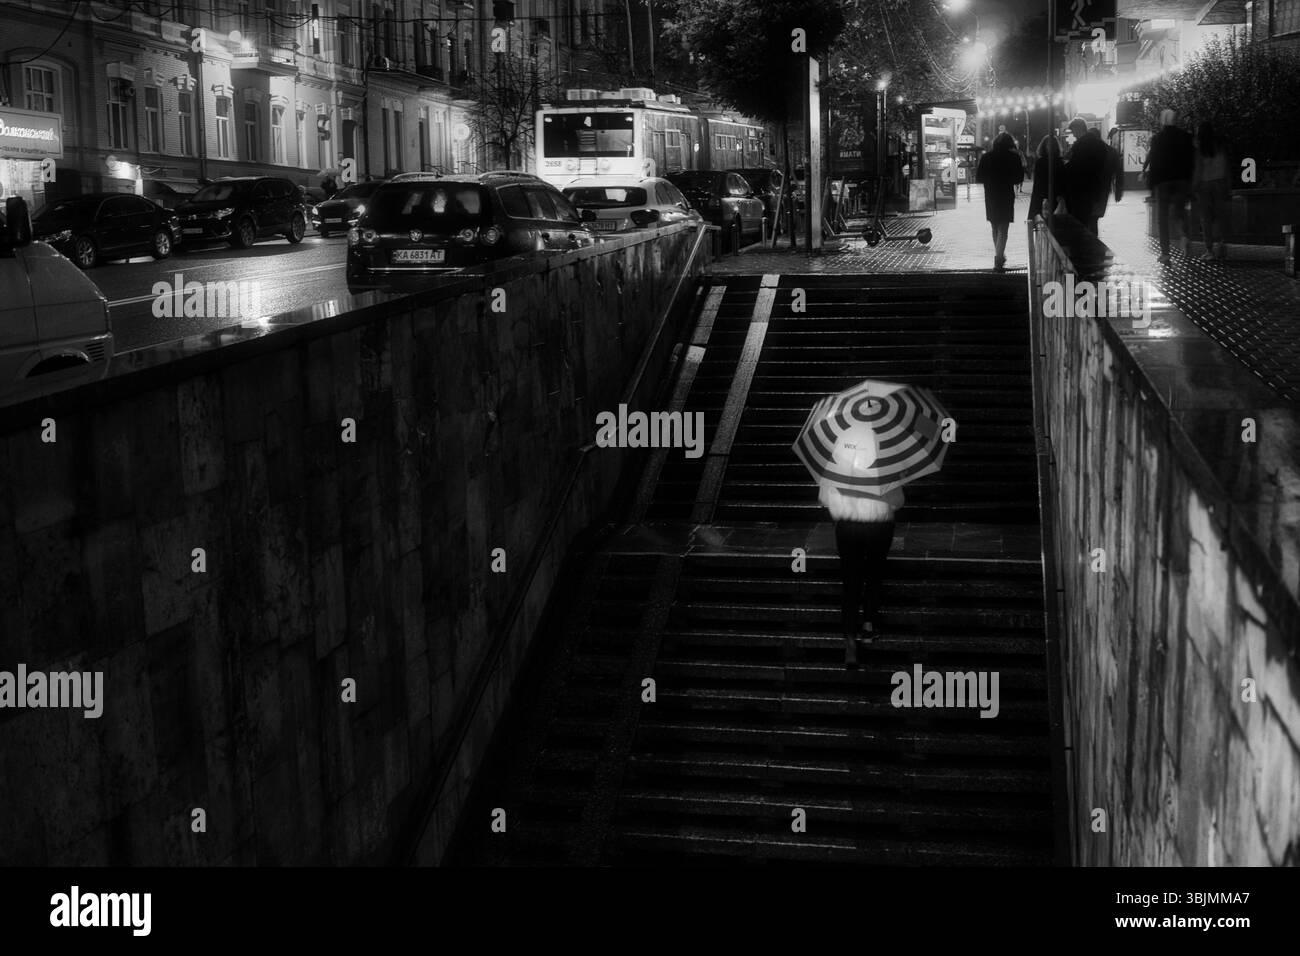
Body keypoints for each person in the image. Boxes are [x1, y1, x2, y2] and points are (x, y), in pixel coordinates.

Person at [819, 478, 902, 669]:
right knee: (874, 574)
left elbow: (824, 498)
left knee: (851, 581)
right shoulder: (885, 456)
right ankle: (869, 624)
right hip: (879, 524)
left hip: (848, 526)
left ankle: (849, 641)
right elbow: (897, 501)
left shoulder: (837, 458)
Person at [1146, 109, 1195, 264]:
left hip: (1163, 181)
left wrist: (1151, 184)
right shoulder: (1186, 137)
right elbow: (1191, 160)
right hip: (1181, 180)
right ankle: (1184, 236)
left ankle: (1165, 253)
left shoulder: (1157, 139)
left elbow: (1153, 161)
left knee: (1163, 218)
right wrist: (1189, 180)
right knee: (1180, 211)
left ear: (1163, 121)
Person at [1062, 116, 1123, 237]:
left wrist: (1065, 166)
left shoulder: (1082, 145)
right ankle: (1093, 249)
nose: (1074, 135)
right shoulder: (1101, 146)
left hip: (1083, 192)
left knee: (1083, 224)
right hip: (1097, 191)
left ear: (1078, 129)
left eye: (1074, 132)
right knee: (1092, 222)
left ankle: (1088, 251)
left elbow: (1075, 168)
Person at [975, 132, 1024, 272]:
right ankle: (998, 258)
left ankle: (999, 255)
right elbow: (1018, 178)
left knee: (995, 226)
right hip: (1006, 195)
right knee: (1003, 227)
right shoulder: (1014, 157)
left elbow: (979, 177)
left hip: (990, 194)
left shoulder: (986, 157)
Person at [1192, 120, 1230, 261]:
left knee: (1206, 219)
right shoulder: (1220, 146)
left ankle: (1209, 250)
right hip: (1220, 183)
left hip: (1205, 186)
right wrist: (1228, 185)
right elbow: (1226, 166)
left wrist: (1193, 187)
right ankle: (1222, 244)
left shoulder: (1200, 148)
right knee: (1220, 217)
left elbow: (1198, 170)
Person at [1028, 134, 1067, 223]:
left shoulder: (1058, 162)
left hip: (1053, 198)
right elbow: (1037, 184)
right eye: (1049, 145)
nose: (1051, 147)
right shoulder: (1044, 162)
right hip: (1046, 198)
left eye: (1052, 145)